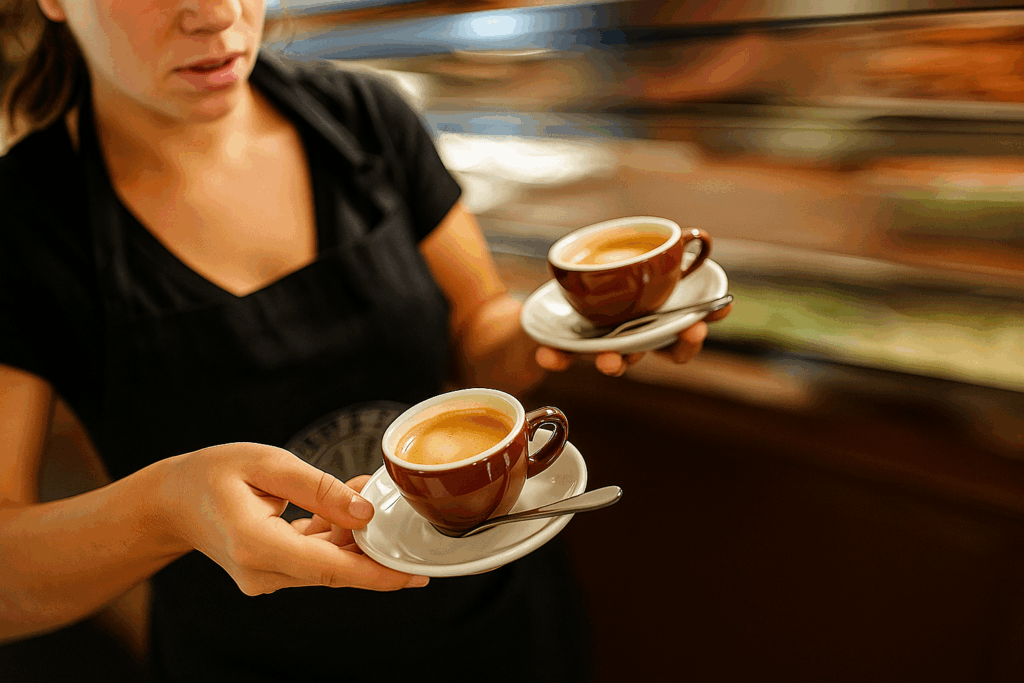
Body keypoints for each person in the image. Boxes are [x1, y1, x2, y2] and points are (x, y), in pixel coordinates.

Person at [0, 1, 732, 681]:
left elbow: (478, 331)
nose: (217, 13)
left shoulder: (364, 117)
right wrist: (162, 507)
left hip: (498, 632)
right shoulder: (26, 224)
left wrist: (563, 330)